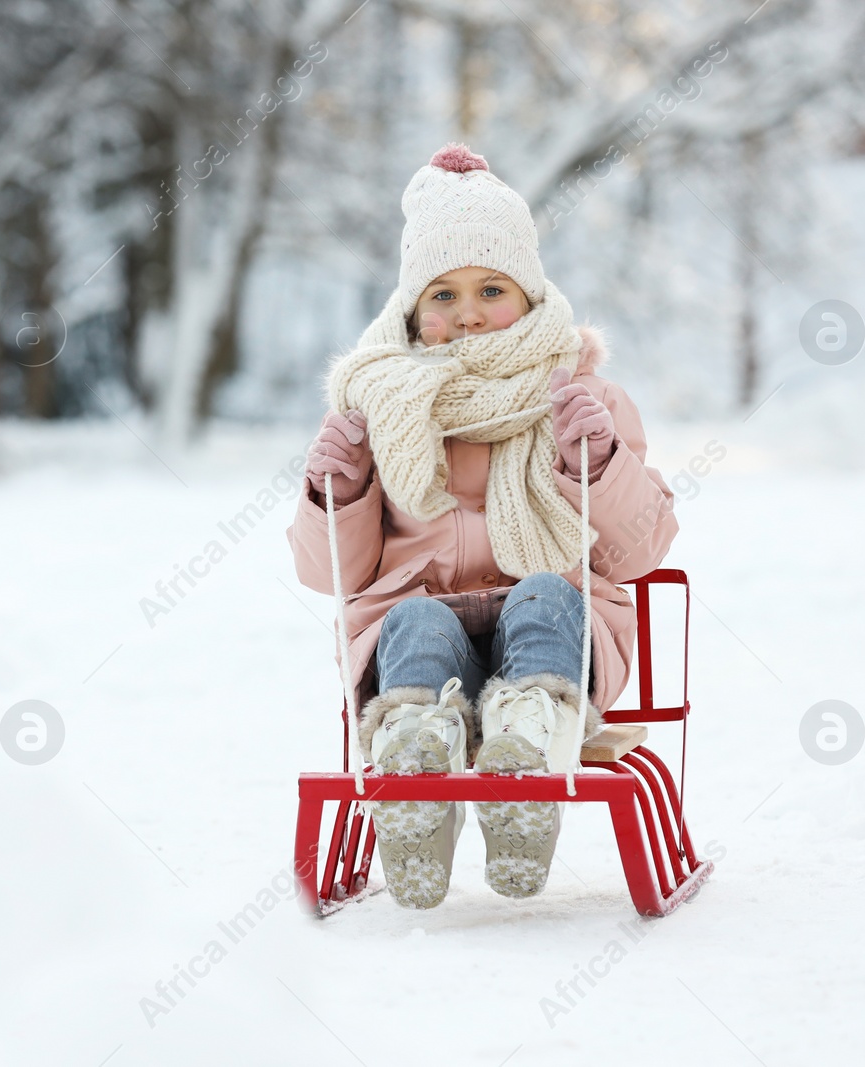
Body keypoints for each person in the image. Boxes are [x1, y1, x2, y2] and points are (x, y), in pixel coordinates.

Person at [286, 143, 680, 909]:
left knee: (543, 593)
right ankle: (416, 767)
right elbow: (328, 573)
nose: (467, 311)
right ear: (411, 309)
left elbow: (643, 549)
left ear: (531, 297)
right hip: (416, 625)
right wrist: (339, 489)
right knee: (417, 620)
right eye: (442, 293)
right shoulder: (377, 405)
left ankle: (523, 753)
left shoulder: (581, 396)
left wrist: (594, 463)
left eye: (492, 287)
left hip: (553, 622)